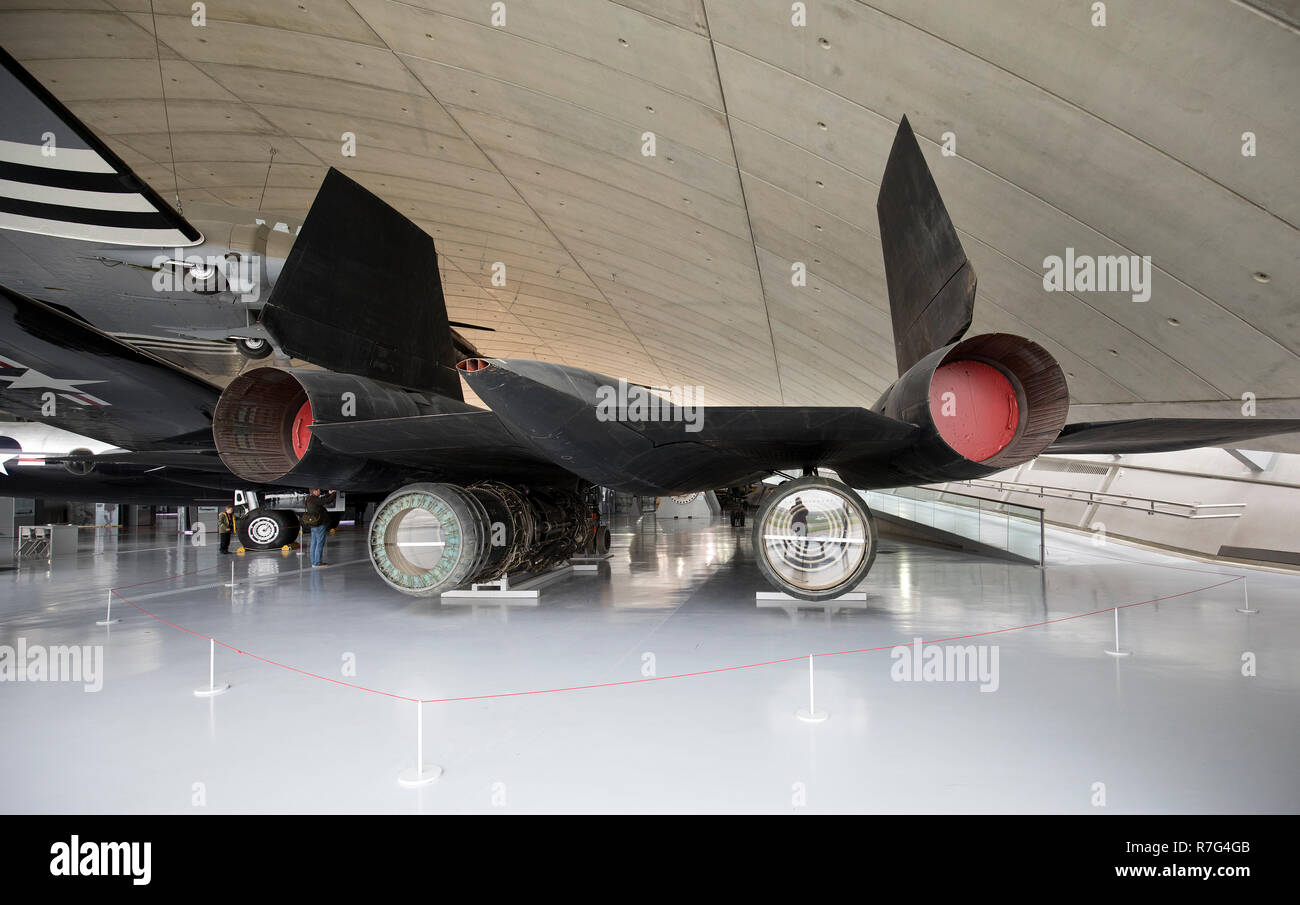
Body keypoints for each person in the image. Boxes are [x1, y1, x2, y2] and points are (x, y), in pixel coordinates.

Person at [301, 489, 336, 567]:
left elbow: (322, 499)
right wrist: (334, 493)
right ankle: (318, 562)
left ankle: (314, 562)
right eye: (319, 490)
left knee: (314, 543)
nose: (320, 492)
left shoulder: (309, 499)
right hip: (319, 524)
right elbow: (328, 501)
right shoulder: (315, 500)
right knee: (319, 543)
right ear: (314, 491)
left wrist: (328, 493)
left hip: (313, 524)